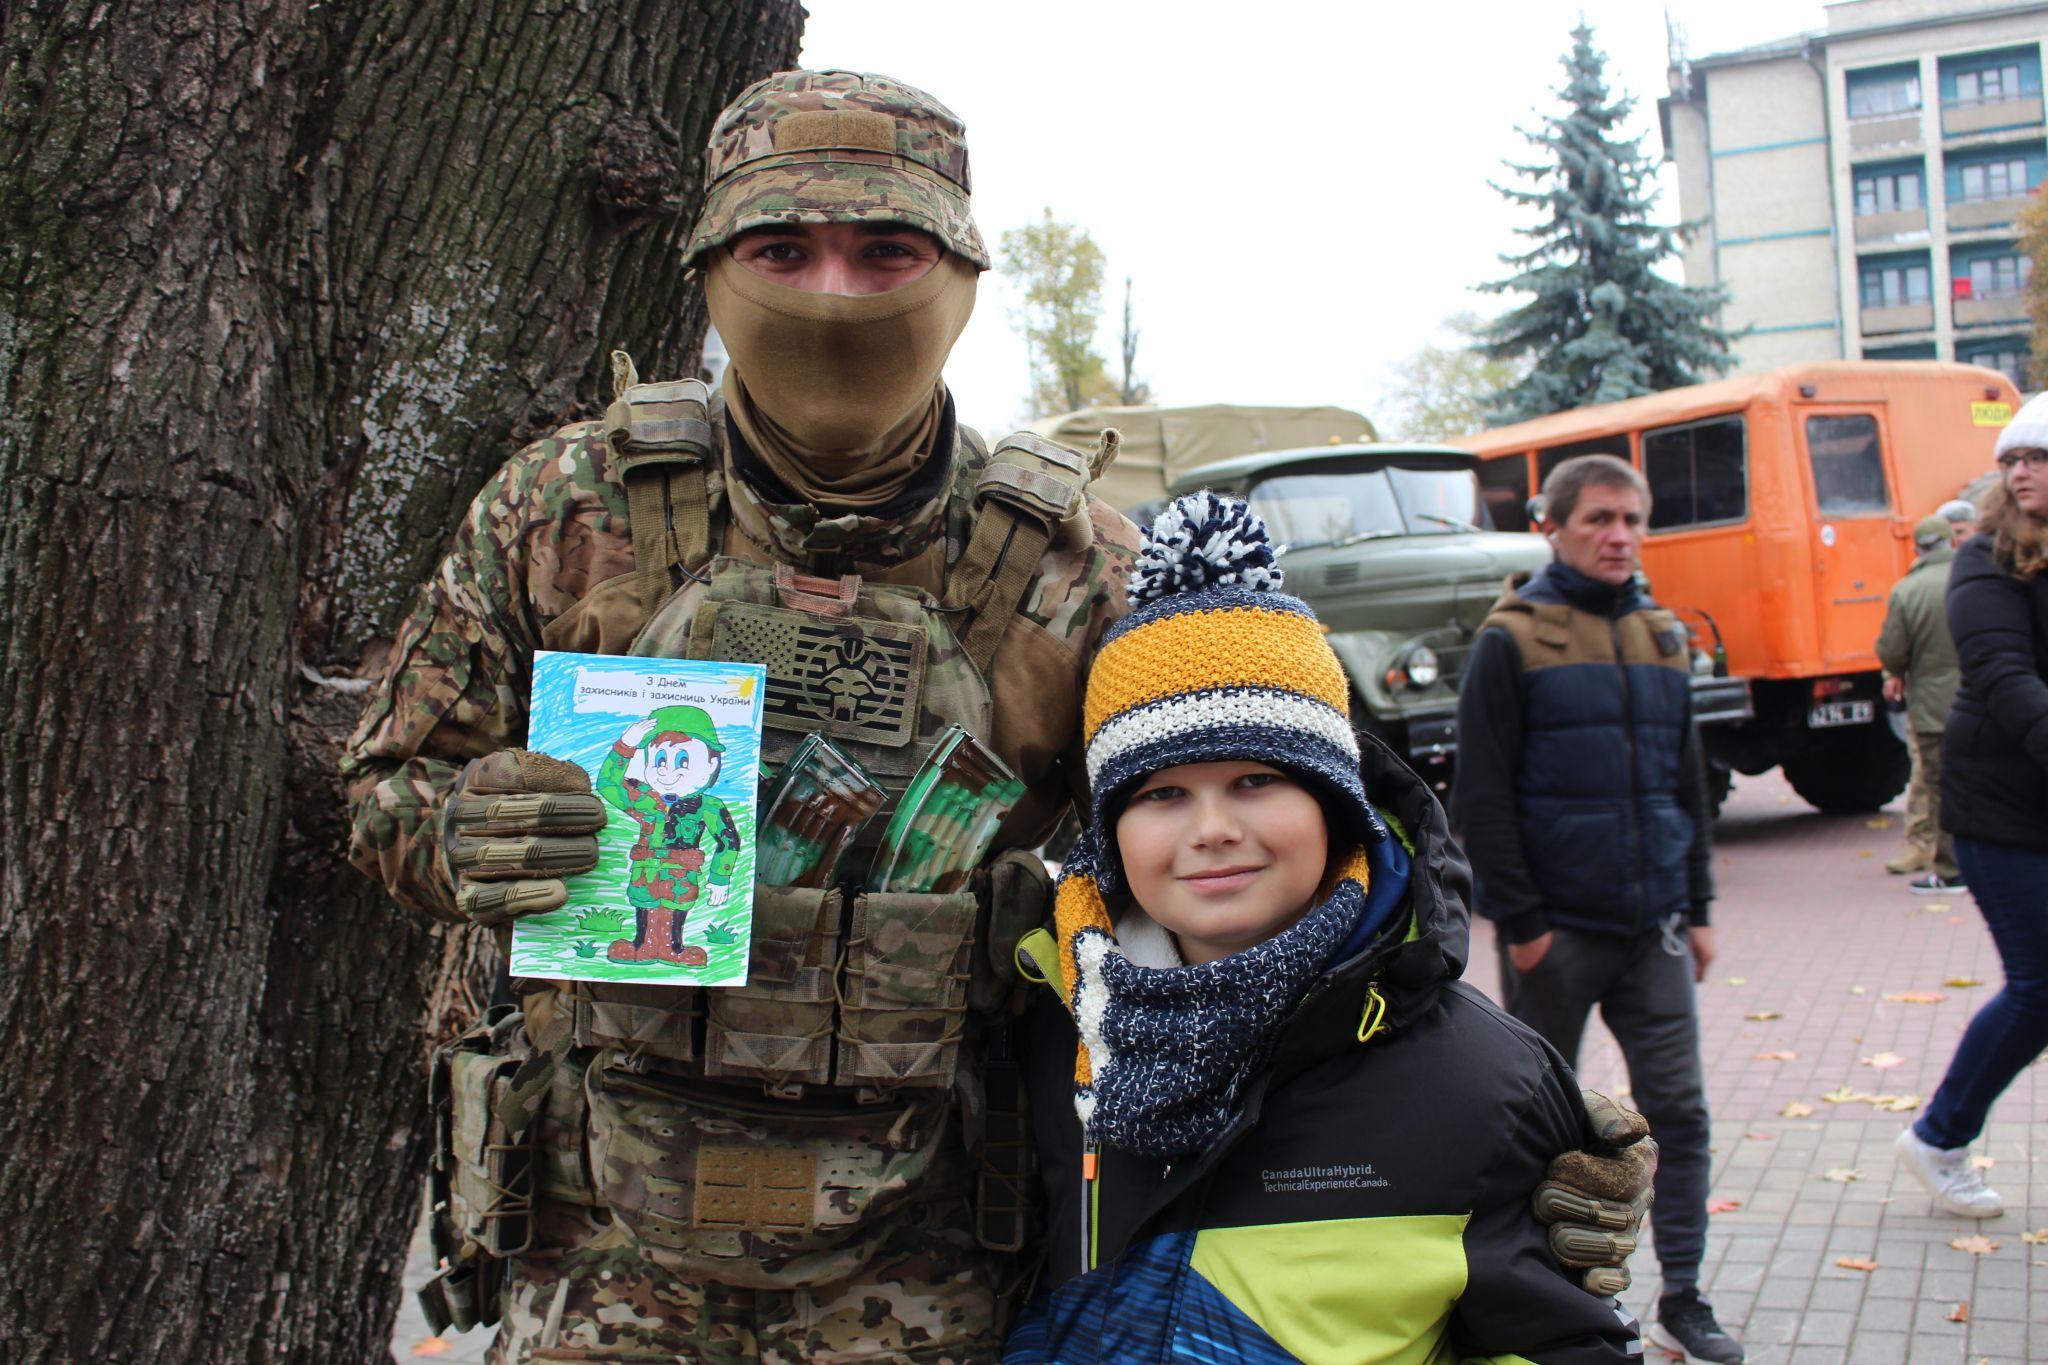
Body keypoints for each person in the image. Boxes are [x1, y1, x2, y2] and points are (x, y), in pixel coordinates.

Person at [343, 71, 1645, 1361]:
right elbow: (385, 787)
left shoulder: (1079, 571)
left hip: (933, 1260)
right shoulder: (569, 515)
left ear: (959, 277)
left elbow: (1287, 889)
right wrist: (460, 830)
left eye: (885, 252)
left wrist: (1498, 1132)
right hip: (602, 1241)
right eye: (782, 250)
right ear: (710, 271)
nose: (834, 293)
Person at [1005, 493, 1640, 1364]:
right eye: (1162, 793)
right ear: (1110, 834)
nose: (1212, 828)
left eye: (1257, 780)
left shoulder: (1480, 1081)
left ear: (1334, 804)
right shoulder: (1043, 1031)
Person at [1453, 454, 1743, 1365]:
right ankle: (1541, 1302)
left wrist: (1696, 906)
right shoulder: (1513, 636)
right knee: (1541, 1127)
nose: (1620, 535)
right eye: (1600, 519)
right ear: (1556, 526)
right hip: (1559, 936)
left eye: (1633, 519)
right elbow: (1482, 798)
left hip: (1653, 927)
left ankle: (1684, 1296)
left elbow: (1687, 785)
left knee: (1680, 1115)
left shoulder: (1662, 634)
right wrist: (1526, 925)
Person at [1894, 392, 2048, 1219]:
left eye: (2037, 458)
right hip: (2002, 811)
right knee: (2040, 987)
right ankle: (1938, 1136)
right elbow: (2003, 676)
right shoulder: (1984, 559)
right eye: (2011, 460)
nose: (2020, 471)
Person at [1876, 514, 1964, 890]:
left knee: (1940, 788)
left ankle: (1949, 870)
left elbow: (1891, 650)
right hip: (1983, 702)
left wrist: (1895, 671)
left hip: (1932, 709)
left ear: (1916, 548)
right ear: (1951, 542)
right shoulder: (1975, 580)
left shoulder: (1907, 591)